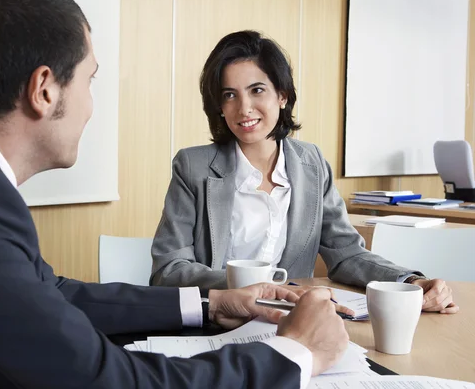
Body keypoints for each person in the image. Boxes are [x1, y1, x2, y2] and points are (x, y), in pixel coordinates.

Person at [0, 0, 350, 388]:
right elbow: (99, 380)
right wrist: (295, 353)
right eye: (90, 79)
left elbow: (50, 294)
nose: (90, 106)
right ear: (44, 89)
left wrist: (212, 303)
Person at [150, 30, 458, 315]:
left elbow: (347, 255)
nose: (244, 108)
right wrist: (250, 287)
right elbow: (168, 270)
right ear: (218, 104)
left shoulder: (312, 164)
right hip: (222, 318)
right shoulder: (193, 167)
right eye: (230, 95)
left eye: (257, 90)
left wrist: (410, 282)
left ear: (282, 95)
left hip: (295, 322)